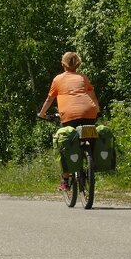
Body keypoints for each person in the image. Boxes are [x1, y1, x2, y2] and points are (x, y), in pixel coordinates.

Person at [37, 51, 99, 191]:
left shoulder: (58, 79)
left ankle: (65, 179)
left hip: (69, 115)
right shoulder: (83, 77)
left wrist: (42, 114)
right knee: (89, 136)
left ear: (63, 64)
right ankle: (92, 163)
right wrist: (97, 110)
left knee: (65, 143)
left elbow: (49, 99)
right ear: (78, 64)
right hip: (90, 112)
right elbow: (92, 95)